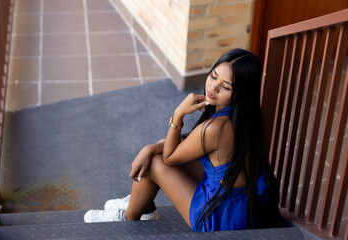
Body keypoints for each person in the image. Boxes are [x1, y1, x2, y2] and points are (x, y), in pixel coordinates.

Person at [84, 48, 281, 231]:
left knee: (154, 162)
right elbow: (185, 145)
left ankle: (128, 217)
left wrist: (178, 115)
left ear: (239, 93)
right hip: (239, 204)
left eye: (226, 86)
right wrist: (150, 147)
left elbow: (170, 157)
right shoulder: (244, 116)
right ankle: (142, 206)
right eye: (213, 76)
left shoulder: (215, 128)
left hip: (219, 219)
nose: (213, 87)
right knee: (158, 150)